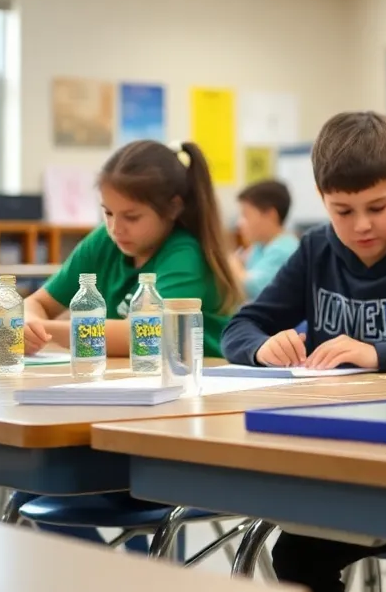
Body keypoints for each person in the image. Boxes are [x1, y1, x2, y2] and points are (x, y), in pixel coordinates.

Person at [221, 111, 386, 592]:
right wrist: (263, 346)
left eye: (377, 207)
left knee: (296, 552)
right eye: (342, 211)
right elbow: (240, 326)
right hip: (336, 460)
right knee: (295, 554)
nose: (361, 226)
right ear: (321, 200)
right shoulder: (315, 251)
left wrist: (376, 352)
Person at [16, 139, 241, 550]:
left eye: (131, 217)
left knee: (134, 498)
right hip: (119, 411)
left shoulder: (185, 254)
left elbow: (146, 336)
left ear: (173, 207)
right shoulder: (106, 241)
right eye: (107, 213)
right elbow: (39, 301)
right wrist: (28, 319)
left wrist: (52, 330)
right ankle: (121, 578)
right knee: (27, 488)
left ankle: (133, 582)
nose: (117, 227)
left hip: (185, 423)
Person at [231, 179, 299, 300]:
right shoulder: (260, 246)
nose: (239, 223)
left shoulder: (284, 249)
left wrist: (231, 262)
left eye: (246, 215)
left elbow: (251, 288)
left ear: (270, 215)